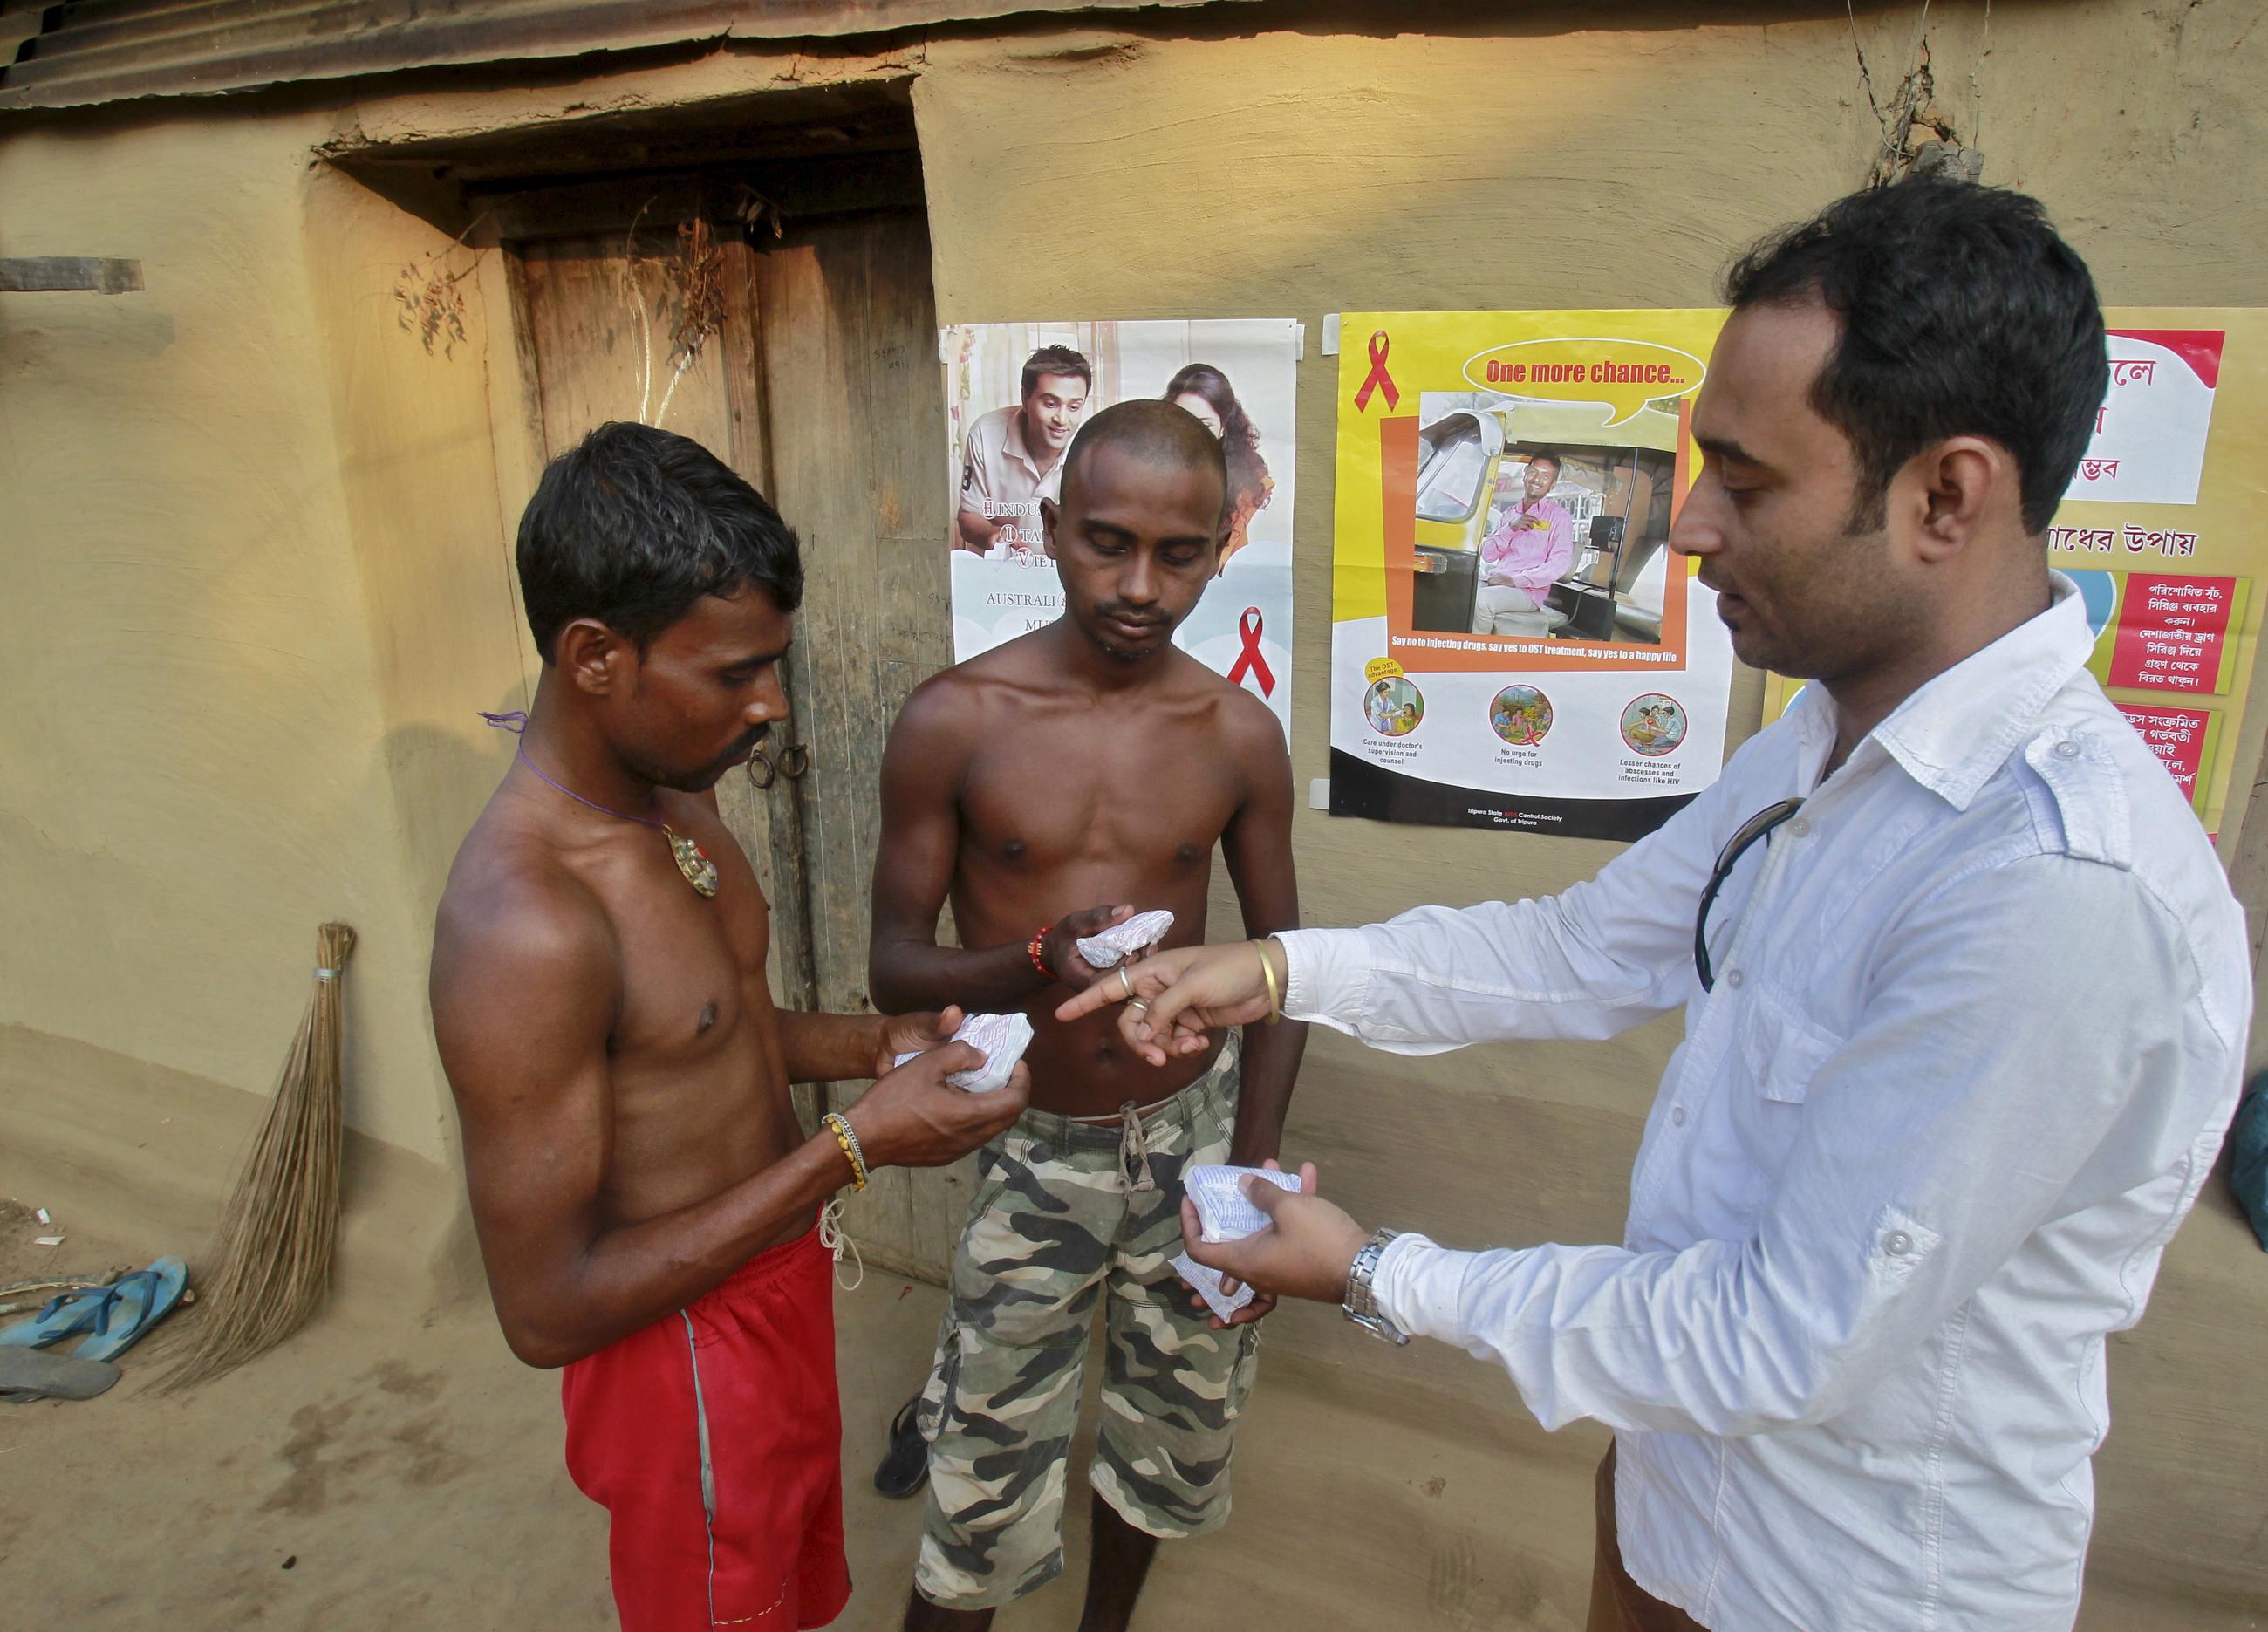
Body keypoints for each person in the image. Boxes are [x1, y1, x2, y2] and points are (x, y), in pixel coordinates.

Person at [1062, 179, 2251, 1632]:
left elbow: (1779, 1336)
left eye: (1745, 483)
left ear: (1948, 496)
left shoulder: (2056, 883)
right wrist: (1275, 969)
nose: (1686, 528)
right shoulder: (1820, 741)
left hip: (1855, 1579)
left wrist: (1382, 1273)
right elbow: (1587, 947)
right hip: (1676, 1493)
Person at [429, 422, 1031, 1632]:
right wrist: (854, 1148)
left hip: (775, 1282)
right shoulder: (528, 922)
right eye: (731, 672)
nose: (768, 704)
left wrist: (875, 1048)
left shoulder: (675, 793)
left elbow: (718, 1029)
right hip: (677, 1357)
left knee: (783, 1593)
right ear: (594, 655)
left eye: (775, 664)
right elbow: (544, 1311)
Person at [871, 399, 1307, 1630]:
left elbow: (1285, 973)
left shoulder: (1235, 733)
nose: (1138, 584)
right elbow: (891, 965)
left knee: (1170, 1442)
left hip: (1191, 1138)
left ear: (1224, 545)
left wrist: (1255, 1174)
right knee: (979, 1486)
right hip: (1028, 1151)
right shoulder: (955, 717)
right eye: (1106, 541)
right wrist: (1034, 956)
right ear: (1049, 529)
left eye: (1178, 554)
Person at [956, 345, 1093, 554]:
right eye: (1050, 404)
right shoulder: (985, 434)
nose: (1062, 420)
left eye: (1074, 407)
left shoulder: (1094, 445)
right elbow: (969, 517)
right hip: (1002, 573)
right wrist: (992, 535)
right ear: (1025, 399)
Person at [1163, 362, 1274, 573]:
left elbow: (1229, 566)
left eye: (1204, 425)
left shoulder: (1243, 485)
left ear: (1223, 426)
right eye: (1181, 419)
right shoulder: (1146, 467)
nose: (1191, 433)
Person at [1471, 449, 1577, 634]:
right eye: (1534, 472)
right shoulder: (1510, 513)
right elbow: (1488, 555)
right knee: (1459, 589)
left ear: (1552, 484)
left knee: (1480, 600)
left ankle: (1474, 658)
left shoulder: (1559, 517)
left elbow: (1559, 564)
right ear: (1525, 473)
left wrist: (1515, 580)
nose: (1537, 479)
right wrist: (1510, 528)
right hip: (1497, 580)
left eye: (1545, 476)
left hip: (1527, 591)